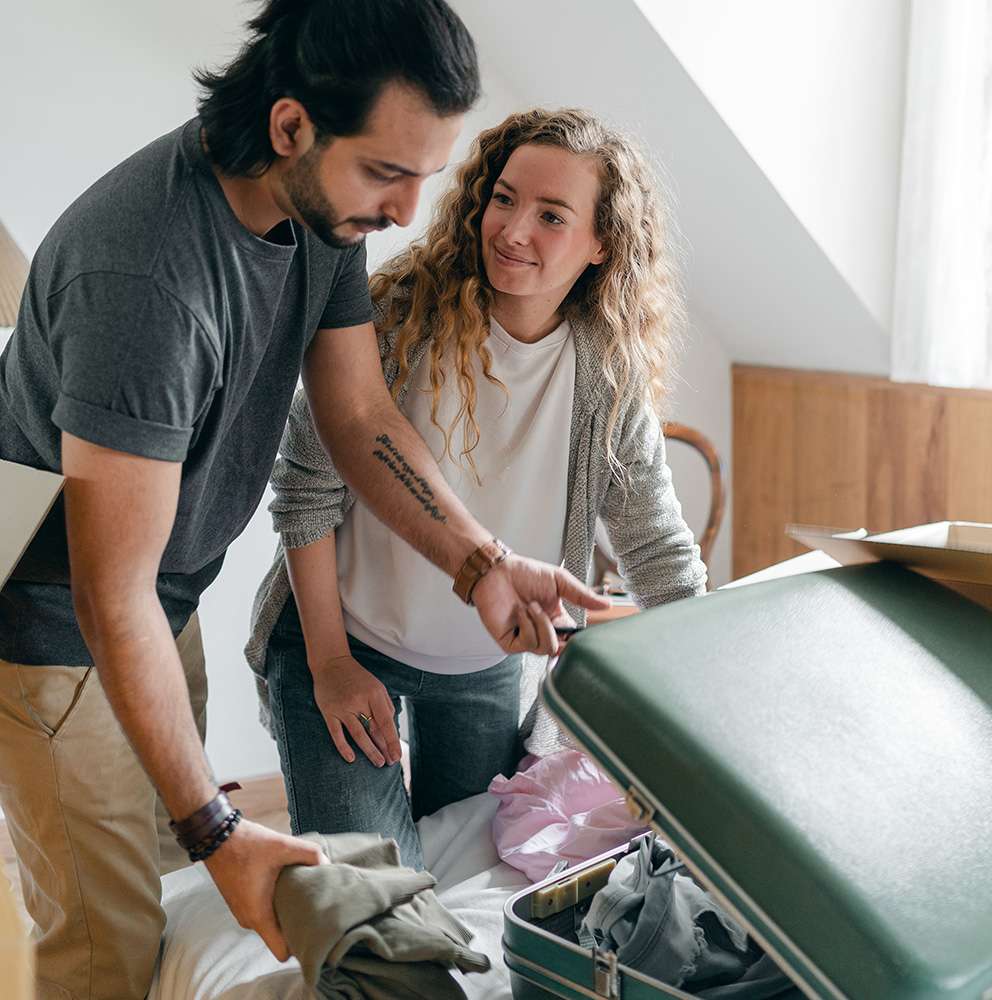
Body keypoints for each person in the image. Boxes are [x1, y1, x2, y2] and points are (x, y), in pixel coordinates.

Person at [0, 5, 607, 998]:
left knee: (168, 892)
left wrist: (482, 564)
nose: (409, 212)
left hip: (160, 596)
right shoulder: (145, 279)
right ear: (290, 126)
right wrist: (221, 829)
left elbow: (359, 414)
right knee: (106, 947)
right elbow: (108, 596)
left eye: (425, 175)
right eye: (388, 174)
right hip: (60, 622)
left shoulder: (317, 208)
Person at [246, 108, 708, 870]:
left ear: (602, 243)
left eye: (552, 215)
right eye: (504, 199)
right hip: (339, 640)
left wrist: (718, 691)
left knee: (475, 872)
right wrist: (329, 665)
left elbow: (658, 552)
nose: (514, 230)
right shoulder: (394, 318)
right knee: (376, 884)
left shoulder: (607, 377)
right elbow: (304, 496)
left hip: (482, 668)